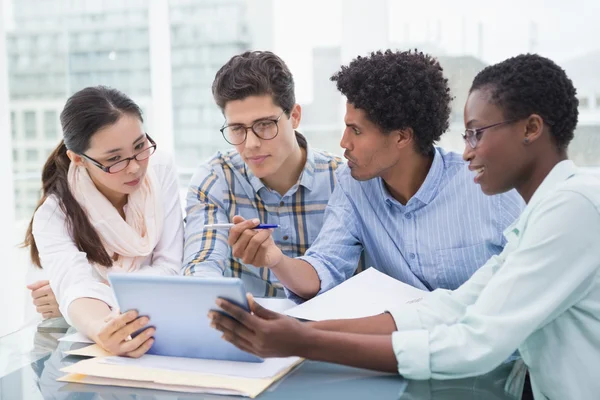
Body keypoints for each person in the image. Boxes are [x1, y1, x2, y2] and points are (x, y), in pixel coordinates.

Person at [209, 53, 600, 399]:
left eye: (477, 134)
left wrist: (307, 341)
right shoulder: (546, 212)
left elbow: (475, 342)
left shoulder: (573, 208)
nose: (467, 151)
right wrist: (302, 328)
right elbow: (450, 306)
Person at [227, 50, 524, 302]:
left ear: (402, 137)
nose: (344, 142)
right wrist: (276, 259)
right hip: (398, 359)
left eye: (356, 130)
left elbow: (529, 289)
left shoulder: (490, 188)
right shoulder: (353, 186)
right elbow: (325, 266)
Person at [24, 86, 184, 357]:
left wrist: (89, 295)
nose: (135, 167)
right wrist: (97, 323)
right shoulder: (54, 214)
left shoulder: (160, 169)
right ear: (78, 159)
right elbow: (76, 287)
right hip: (65, 345)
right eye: (114, 160)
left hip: (147, 329)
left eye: (140, 146)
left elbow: (171, 269)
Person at [183, 51, 344, 297]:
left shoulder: (341, 180)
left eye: (265, 125)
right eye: (237, 129)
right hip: (248, 327)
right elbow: (200, 266)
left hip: (329, 328)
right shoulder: (216, 179)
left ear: (295, 116)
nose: (250, 144)